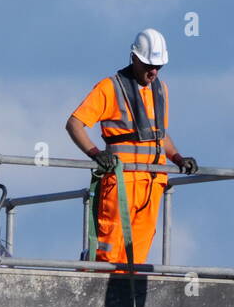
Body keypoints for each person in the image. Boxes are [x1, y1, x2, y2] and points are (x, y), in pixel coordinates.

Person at [65, 29, 198, 266]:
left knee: (138, 254)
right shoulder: (109, 88)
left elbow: (160, 135)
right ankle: (94, 293)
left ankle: (127, 295)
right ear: (134, 58)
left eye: (158, 66)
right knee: (109, 250)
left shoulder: (161, 90)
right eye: (149, 65)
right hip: (121, 184)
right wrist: (96, 154)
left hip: (153, 184)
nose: (153, 71)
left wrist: (177, 158)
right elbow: (74, 124)